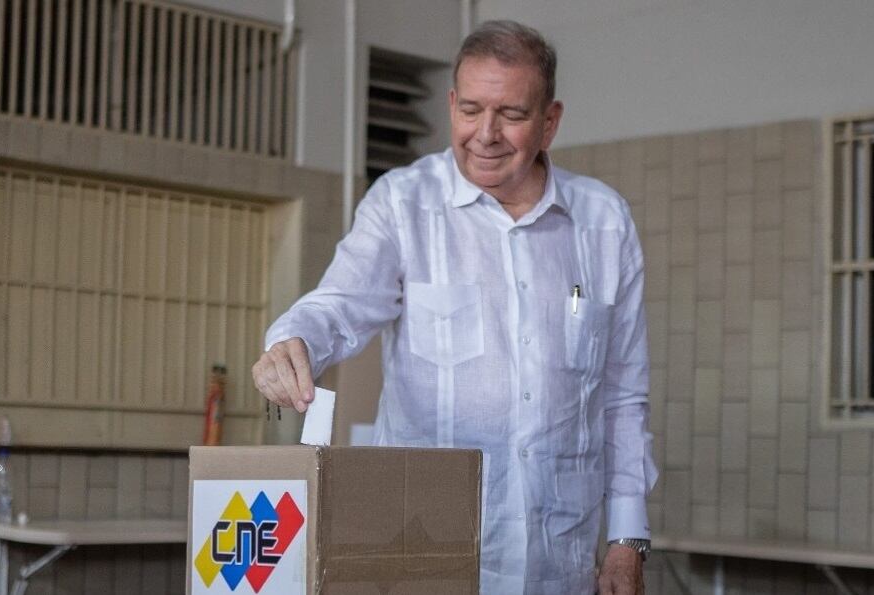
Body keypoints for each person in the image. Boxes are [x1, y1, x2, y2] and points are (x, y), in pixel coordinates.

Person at [253, 20, 657, 595]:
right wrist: (292, 339)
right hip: (426, 554)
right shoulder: (403, 203)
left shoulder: (604, 222)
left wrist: (627, 541)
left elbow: (624, 395)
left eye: (511, 115)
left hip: (559, 561)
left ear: (550, 121)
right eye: (470, 110)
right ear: (450, 104)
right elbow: (339, 304)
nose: (485, 134)